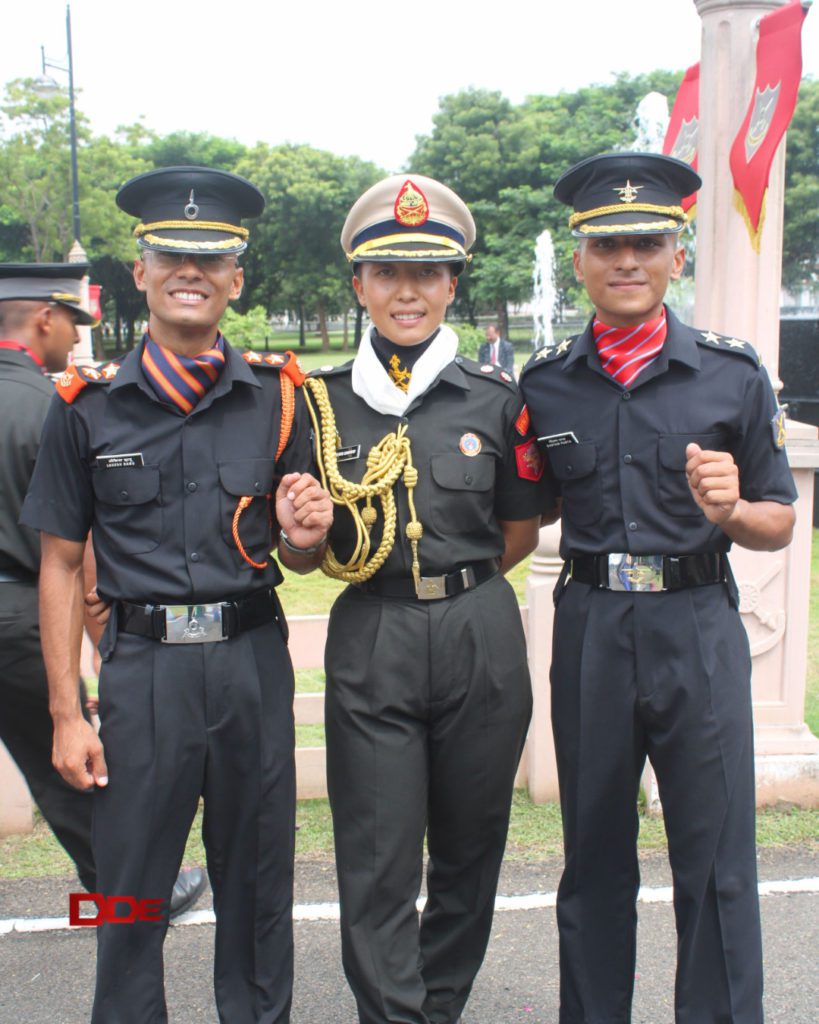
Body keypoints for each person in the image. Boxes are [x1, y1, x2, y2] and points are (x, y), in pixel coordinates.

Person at [21, 167, 332, 1024]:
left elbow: (301, 554)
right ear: (141, 269)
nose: (190, 269)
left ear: (236, 278)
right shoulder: (85, 407)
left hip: (250, 665)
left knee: (260, 883)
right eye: (172, 254)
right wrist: (65, 713)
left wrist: (305, 538)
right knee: (126, 893)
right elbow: (59, 562)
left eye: (211, 256)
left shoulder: (278, 397)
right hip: (143, 675)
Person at [519, 152, 797, 1024]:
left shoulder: (730, 372)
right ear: (579, 261)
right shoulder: (544, 381)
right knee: (593, 855)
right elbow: (517, 520)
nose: (627, 260)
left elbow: (780, 519)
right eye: (608, 245)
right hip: (592, 627)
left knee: (714, 861)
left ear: (678, 254)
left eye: (647, 242)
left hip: (696, 625)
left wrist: (730, 508)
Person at [303, 173, 545, 1024]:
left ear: (452, 283)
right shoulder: (316, 402)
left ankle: (435, 1007)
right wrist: (304, 536)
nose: (408, 290)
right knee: (375, 857)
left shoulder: (496, 398)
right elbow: (303, 546)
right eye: (388, 273)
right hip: (373, 629)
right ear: (359, 285)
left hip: (479, 629)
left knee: (470, 851)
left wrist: (457, 587)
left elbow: (514, 530)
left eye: (428, 273)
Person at [0, 262, 205, 917]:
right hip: (23, 613)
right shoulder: (51, 406)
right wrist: (105, 646)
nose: (72, 338)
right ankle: (137, 896)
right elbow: (76, 553)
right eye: (71, 323)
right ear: (44, 319)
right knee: (77, 769)